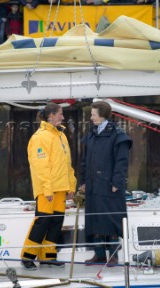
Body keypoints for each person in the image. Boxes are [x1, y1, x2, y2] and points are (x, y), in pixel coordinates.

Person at [21, 103, 77, 270]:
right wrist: (47, 188)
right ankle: (27, 256)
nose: (63, 117)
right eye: (60, 114)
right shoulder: (40, 137)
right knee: (42, 222)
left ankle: (48, 256)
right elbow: (40, 166)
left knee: (55, 222)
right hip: (48, 189)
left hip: (60, 188)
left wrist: (71, 186)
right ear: (51, 116)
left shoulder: (60, 135)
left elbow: (67, 164)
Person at [80, 101, 132, 266]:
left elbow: (122, 161)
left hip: (109, 185)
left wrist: (117, 182)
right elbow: (84, 161)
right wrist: (83, 181)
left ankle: (114, 256)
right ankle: (99, 254)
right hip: (93, 185)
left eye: (93, 114)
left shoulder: (118, 135)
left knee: (111, 219)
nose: (91, 117)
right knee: (94, 220)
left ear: (102, 115)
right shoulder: (92, 133)